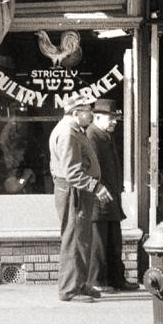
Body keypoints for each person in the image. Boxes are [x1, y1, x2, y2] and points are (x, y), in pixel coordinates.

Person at [49, 93, 112, 303]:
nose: (91, 114)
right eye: (88, 111)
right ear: (76, 113)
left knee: (82, 238)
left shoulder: (75, 130)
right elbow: (72, 173)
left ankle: (80, 283)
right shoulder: (68, 134)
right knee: (74, 239)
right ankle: (69, 289)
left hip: (77, 191)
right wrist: (96, 186)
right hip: (73, 191)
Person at [86, 99, 139, 293]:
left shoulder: (104, 135)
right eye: (111, 118)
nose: (115, 121)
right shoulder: (92, 136)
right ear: (97, 117)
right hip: (100, 197)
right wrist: (99, 189)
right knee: (99, 242)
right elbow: (92, 169)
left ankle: (116, 279)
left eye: (115, 118)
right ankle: (97, 280)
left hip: (111, 196)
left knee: (113, 240)